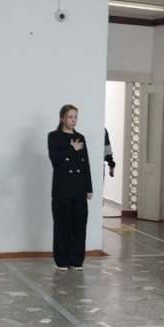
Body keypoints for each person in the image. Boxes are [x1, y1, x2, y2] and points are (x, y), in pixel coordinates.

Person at [48, 104, 93, 270]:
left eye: (75, 117)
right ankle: (61, 260)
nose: (73, 120)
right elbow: (55, 159)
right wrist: (70, 148)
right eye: (70, 117)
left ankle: (76, 259)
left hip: (79, 187)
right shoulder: (54, 136)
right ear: (62, 118)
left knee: (79, 225)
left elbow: (85, 164)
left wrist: (89, 187)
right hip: (62, 188)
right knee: (62, 225)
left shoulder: (80, 137)